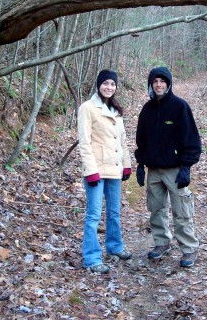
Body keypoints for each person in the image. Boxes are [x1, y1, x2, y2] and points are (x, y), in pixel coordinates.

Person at [135, 66, 202, 268]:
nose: (158, 85)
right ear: (151, 84)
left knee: (181, 210)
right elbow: (141, 139)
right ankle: (162, 242)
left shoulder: (179, 107)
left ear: (169, 84)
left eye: (162, 81)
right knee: (156, 209)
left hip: (175, 170)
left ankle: (189, 248)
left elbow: (191, 139)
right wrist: (140, 163)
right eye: (155, 81)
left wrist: (186, 167)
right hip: (154, 170)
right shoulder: (147, 110)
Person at [77, 69, 133, 274]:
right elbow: (85, 143)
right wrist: (91, 170)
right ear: (99, 85)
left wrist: (126, 164)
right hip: (97, 170)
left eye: (112, 84)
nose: (109, 87)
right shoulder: (88, 108)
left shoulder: (116, 111)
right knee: (93, 215)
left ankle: (115, 247)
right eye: (106, 83)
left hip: (114, 170)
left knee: (114, 213)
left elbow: (123, 141)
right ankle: (92, 258)